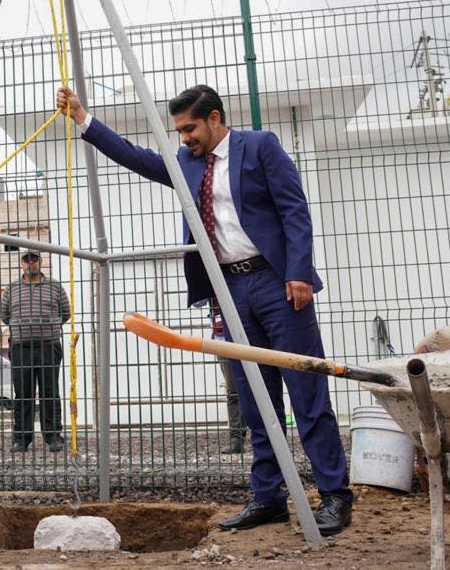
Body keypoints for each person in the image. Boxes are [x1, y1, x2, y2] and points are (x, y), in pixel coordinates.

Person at [58, 84, 352, 535]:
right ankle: (269, 498)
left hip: (277, 282)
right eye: (179, 131)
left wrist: (299, 273)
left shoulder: (260, 147)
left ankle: (334, 496)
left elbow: (295, 210)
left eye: (190, 128)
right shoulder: (186, 164)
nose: (184, 138)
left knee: (306, 391)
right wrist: (83, 119)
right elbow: (137, 158)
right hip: (228, 289)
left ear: (214, 118)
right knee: (254, 399)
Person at [0, 251, 71, 454]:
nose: (31, 263)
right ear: (21, 264)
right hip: (21, 347)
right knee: (23, 394)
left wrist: (47, 328)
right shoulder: (12, 288)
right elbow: (5, 315)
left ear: (40, 261)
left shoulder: (55, 286)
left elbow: (65, 313)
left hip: (48, 345)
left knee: (50, 392)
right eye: (26, 259)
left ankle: (53, 436)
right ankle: (21, 439)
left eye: (34, 259)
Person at [212, 305, 247, 455]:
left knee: (262, 389)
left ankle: (270, 438)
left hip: (248, 336)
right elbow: (197, 301)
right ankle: (236, 440)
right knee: (233, 392)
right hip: (222, 340)